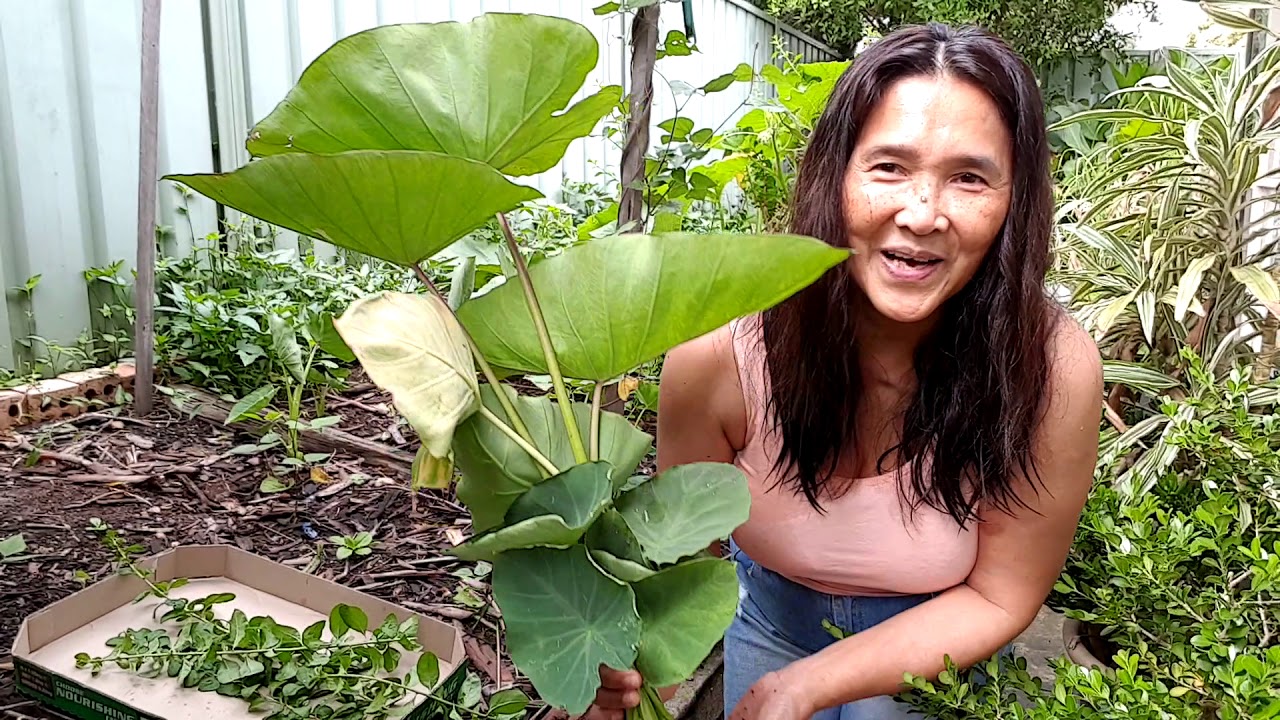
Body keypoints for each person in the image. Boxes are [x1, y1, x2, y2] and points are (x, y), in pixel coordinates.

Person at [582, 21, 1103, 720]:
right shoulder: (722, 355)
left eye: (969, 178)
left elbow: (1001, 594)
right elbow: (681, 566)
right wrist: (630, 684)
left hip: (946, 645)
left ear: (1015, 202)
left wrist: (809, 684)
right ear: (836, 175)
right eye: (889, 167)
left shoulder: (1050, 367)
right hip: (770, 624)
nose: (922, 215)